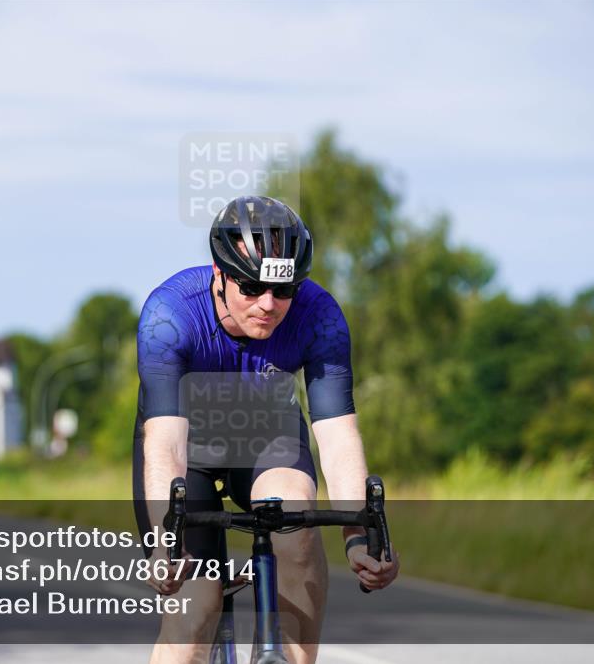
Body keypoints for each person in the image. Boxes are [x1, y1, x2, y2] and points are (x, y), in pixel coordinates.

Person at [133, 196, 399, 664]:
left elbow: (337, 439)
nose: (268, 305)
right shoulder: (169, 316)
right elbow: (165, 444)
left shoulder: (320, 317)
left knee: (296, 528)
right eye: (251, 288)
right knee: (196, 611)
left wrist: (359, 537)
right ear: (219, 274)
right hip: (186, 452)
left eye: (284, 290)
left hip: (266, 435)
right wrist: (164, 541)